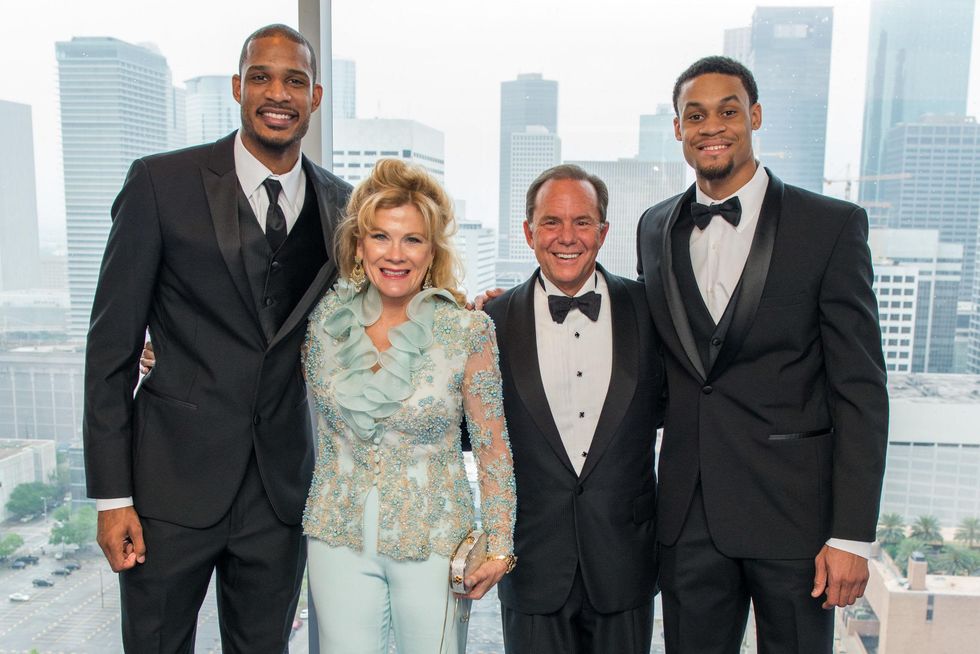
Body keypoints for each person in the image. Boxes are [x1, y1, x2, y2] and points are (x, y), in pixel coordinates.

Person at [82, 24, 351, 652]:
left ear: (316, 97)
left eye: (294, 80)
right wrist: (112, 497)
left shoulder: (343, 204)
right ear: (238, 87)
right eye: (261, 76)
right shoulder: (159, 183)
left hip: (280, 493)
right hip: (166, 490)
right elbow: (110, 349)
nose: (276, 93)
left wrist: (468, 312)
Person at [636, 56, 888, 653]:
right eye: (695, 115)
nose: (712, 126)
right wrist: (504, 308)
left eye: (728, 111)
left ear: (754, 116)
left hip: (796, 520)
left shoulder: (830, 225)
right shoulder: (653, 227)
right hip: (689, 517)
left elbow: (860, 387)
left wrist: (852, 536)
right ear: (678, 129)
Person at [302, 158, 516, 654]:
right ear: (359, 245)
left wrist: (500, 545)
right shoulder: (321, 325)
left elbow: (493, 451)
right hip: (337, 538)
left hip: (436, 544)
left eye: (412, 239)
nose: (395, 254)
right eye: (381, 237)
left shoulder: (467, 331)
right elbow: (254, 368)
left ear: (431, 250)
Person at [484, 164, 663, 654]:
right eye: (551, 222)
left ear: (603, 232)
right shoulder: (489, 324)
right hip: (532, 564)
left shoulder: (651, 311)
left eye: (582, 222)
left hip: (625, 561)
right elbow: (472, 437)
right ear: (528, 232)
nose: (567, 237)